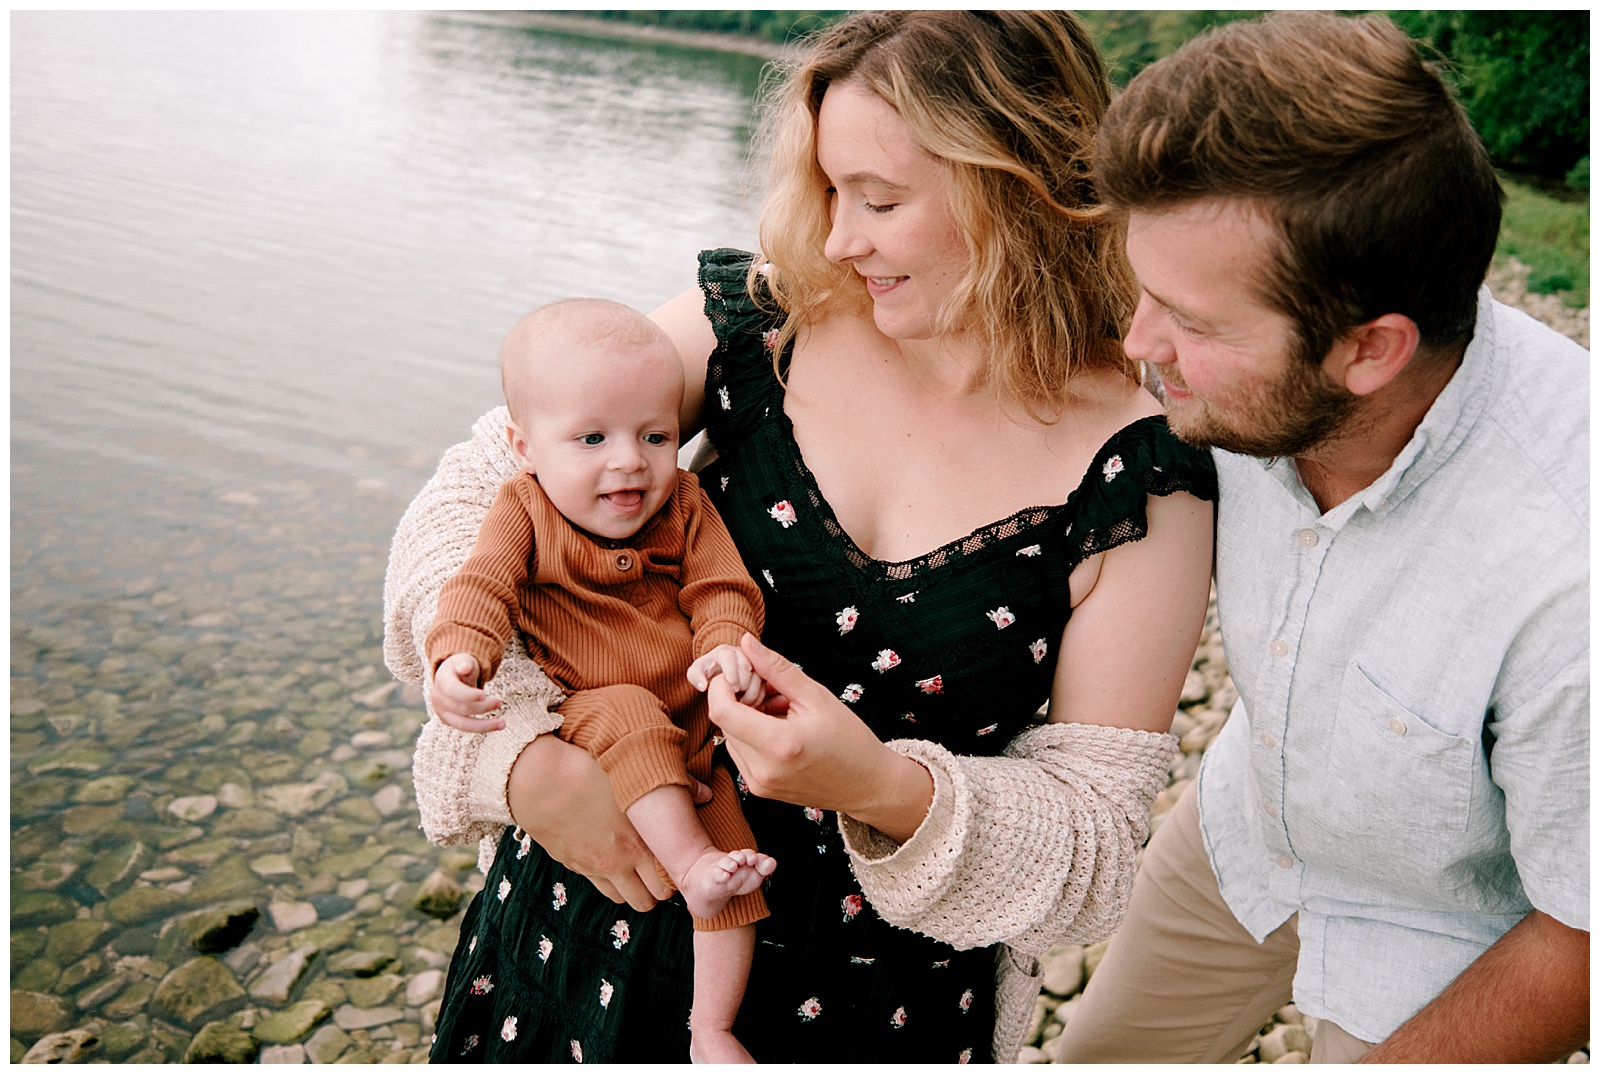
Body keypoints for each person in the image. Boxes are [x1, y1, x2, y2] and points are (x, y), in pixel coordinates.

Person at [384, 11, 1217, 1063]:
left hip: (870, 1010)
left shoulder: (1144, 475)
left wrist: (876, 786)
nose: (836, 239)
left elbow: (1095, 843)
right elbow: (474, 501)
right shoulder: (759, 321)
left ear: (1018, 184)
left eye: (877, 200)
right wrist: (523, 763)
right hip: (571, 937)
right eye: (827, 192)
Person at [1055, 11, 1590, 1064]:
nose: (1135, 346)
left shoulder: (1572, 579)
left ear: (1369, 352)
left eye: (1190, 325)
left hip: (1450, 930)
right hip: (1249, 829)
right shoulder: (1256, 363)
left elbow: (1589, 932)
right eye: (1142, 291)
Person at [422, 298, 775, 1063]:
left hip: (700, 730)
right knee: (628, 713)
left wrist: (724, 648)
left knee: (739, 883)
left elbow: (722, 588)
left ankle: (711, 1025)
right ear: (524, 445)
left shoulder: (683, 501)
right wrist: (459, 659)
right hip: (600, 715)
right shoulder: (523, 508)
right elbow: (481, 587)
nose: (629, 461)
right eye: (592, 439)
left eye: (655, 436)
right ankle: (689, 868)